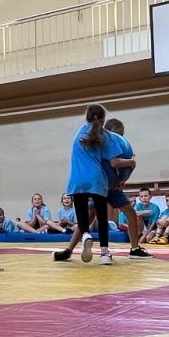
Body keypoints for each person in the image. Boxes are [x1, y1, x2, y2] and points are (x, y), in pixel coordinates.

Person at [53, 103, 130, 266]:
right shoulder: (106, 136)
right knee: (102, 217)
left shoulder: (80, 132)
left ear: (87, 118)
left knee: (82, 216)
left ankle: (86, 235)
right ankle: (104, 254)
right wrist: (132, 162)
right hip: (97, 179)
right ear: (103, 120)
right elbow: (115, 162)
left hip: (77, 179)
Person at [102, 117, 150, 258]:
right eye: (118, 134)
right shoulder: (106, 145)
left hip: (114, 187)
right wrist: (132, 162)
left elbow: (125, 172)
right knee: (88, 217)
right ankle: (69, 248)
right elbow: (114, 163)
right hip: (101, 186)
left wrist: (123, 179)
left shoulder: (119, 146)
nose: (120, 138)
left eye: (122, 135)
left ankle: (135, 249)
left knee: (130, 212)